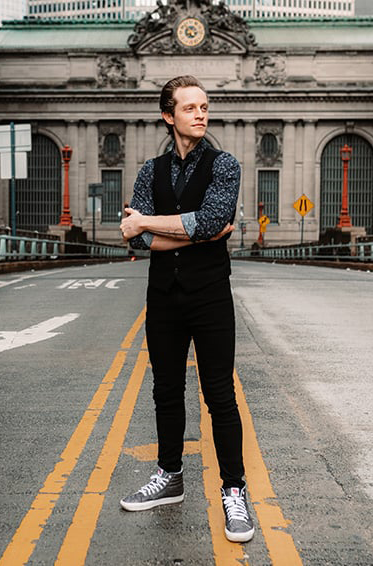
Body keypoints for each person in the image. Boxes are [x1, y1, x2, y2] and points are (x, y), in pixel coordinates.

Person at [119, 75, 254, 543]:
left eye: (205, 106)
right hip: (164, 296)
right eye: (190, 107)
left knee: (219, 396)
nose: (201, 114)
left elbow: (212, 221)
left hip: (210, 294)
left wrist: (151, 223)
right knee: (166, 391)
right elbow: (135, 241)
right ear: (168, 115)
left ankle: (234, 491)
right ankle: (169, 477)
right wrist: (195, 230)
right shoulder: (148, 171)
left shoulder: (225, 165)